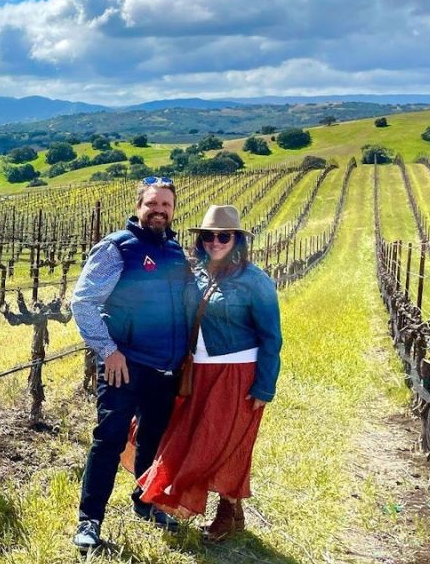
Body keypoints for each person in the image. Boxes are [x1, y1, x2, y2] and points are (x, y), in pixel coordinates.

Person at [137, 204, 282, 541]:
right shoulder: (196, 274)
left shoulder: (254, 280)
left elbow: (272, 337)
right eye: (209, 236)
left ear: (237, 239)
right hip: (198, 371)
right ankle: (235, 514)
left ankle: (225, 515)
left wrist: (264, 386)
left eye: (223, 236)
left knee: (224, 444)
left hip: (238, 373)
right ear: (200, 239)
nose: (215, 241)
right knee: (199, 440)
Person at [69, 176, 192, 551]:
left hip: (165, 368)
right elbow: (83, 302)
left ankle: (145, 502)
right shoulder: (117, 248)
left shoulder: (174, 251)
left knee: (152, 441)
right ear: (139, 206)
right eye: (151, 204)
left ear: (173, 211)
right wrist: (108, 350)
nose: (158, 211)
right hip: (124, 364)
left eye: (165, 205)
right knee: (109, 440)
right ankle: (89, 521)